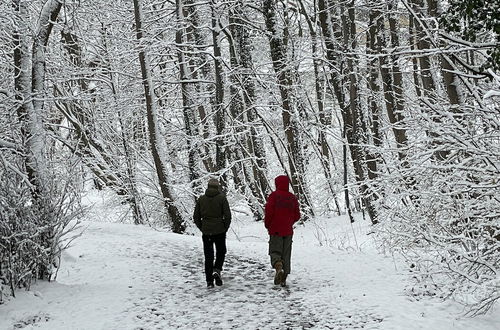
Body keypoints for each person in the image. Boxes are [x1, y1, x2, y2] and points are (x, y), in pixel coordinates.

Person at [193, 178, 231, 288]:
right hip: (219, 231)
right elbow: (227, 215)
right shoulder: (222, 199)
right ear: (217, 187)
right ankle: (217, 269)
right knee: (221, 251)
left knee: (208, 256)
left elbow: (196, 217)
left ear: (208, 187)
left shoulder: (201, 199)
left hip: (206, 232)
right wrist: (225, 227)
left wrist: (202, 227)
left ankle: (209, 281)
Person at [264, 175, 300, 287]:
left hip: (275, 230)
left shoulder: (274, 196)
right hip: (288, 230)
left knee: (275, 251)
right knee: (286, 254)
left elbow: (269, 212)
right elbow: (297, 215)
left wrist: (268, 224)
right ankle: (284, 278)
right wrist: (289, 222)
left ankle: (278, 266)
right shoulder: (292, 198)